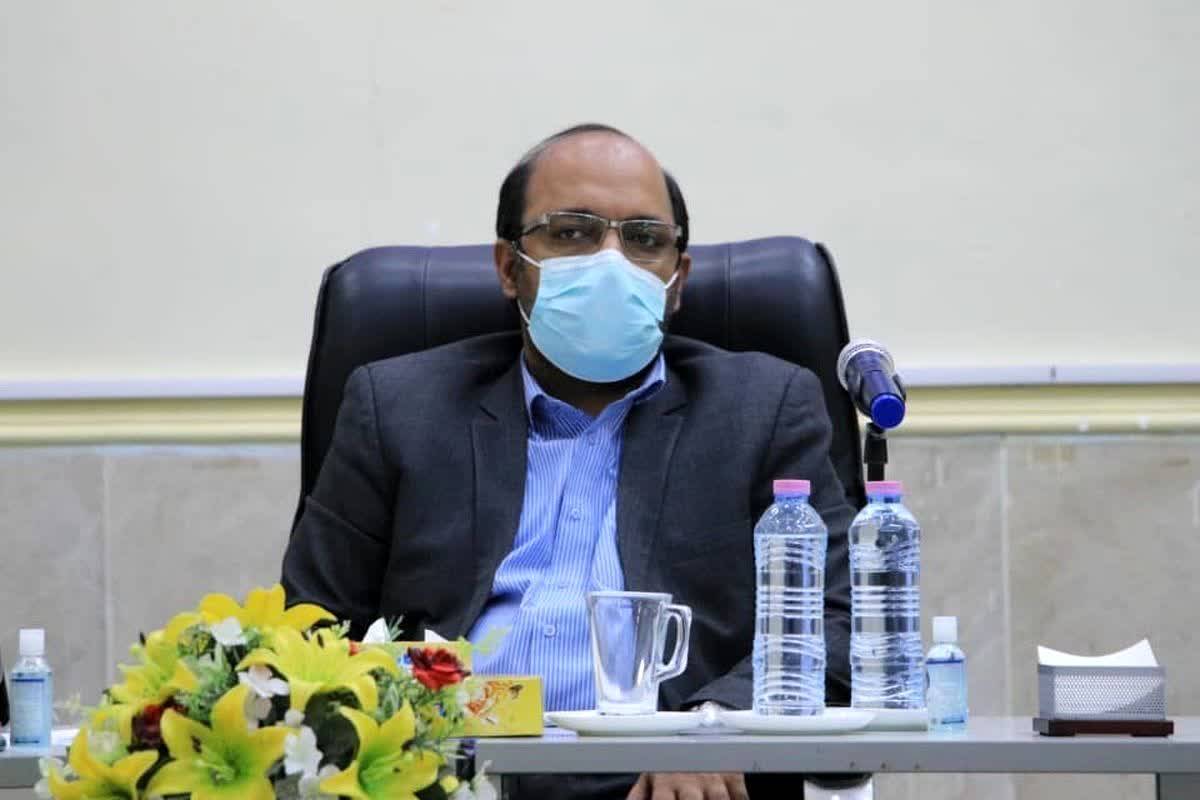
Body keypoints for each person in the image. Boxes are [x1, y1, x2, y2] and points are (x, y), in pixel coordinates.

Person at [282, 124, 855, 800]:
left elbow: (837, 622)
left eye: (644, 239)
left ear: (677, 280)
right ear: (509, 267)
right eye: (572, 233)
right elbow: (310, 629)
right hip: (449, 774)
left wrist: (711, 730)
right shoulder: (397, 408)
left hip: (665, 781)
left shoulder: (762, 409)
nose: (611, 262)